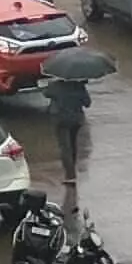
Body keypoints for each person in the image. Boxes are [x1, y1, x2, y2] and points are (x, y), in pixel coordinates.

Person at [43, 65, 93, 204]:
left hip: (60, 119)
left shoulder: (55, 85)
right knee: (73, 143)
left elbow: (45, 93)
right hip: (76, 119)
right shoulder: (79, 87)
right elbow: (88, 103)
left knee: (64, 146)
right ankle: (72, 170)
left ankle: (70, 175)